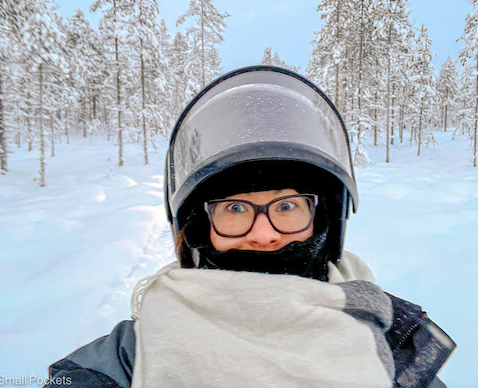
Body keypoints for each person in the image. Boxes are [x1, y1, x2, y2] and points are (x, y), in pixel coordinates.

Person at [45, 66, 455, 388]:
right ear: (199, 227)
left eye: (288, 206)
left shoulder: (389, 335)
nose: (264, 234)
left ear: (324, 218)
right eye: (236, 209)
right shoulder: (133, 353)